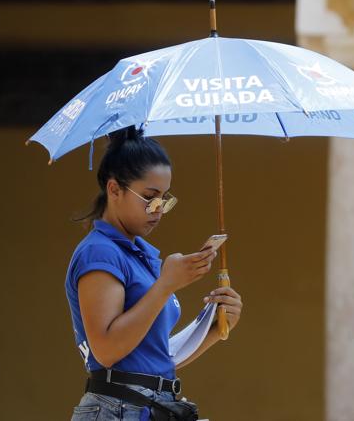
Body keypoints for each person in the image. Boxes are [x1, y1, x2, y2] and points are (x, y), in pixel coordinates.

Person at [66, 126, 243, 421]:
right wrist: (164, 286)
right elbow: (108, 351)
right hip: (116, 409)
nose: (158, 209)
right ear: (114, 190)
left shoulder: (141, 255)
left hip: (150, 407)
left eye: (164, 199)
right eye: (150, 197)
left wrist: (214, 327)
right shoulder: (100, 252)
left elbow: (153, 360)